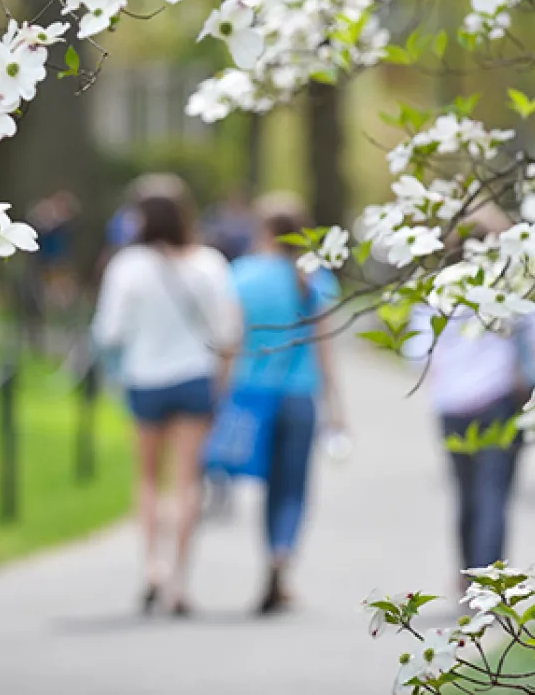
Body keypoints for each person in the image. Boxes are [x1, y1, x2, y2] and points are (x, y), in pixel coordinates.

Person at [92, 174, 242, 617]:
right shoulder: (209, 263)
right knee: (186, 481)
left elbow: (109, 331)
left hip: (145, 378)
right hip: (195, 376)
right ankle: (179, 580)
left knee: (148, 478)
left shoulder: (127, 266)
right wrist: (223, 383)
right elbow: (228, 331)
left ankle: (151, 567)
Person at [402, 205, 535, 588]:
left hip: (451, 406)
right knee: (493, 496)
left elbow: (415, 353)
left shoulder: (439, 292)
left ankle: (467, 577)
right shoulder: (510, 287)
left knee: (467, 495)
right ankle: (487, 586)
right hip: (499, 403)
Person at [230, 192, 346, 615]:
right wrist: (338, 410)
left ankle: (272, 556)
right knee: (293, 487)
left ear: (263, 230)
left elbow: (233, 338)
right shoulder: (316, 279)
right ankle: (282, 553)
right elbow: (325, 352)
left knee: (268, 487)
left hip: (254, 393)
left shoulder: (242, 275)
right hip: (301, 395)